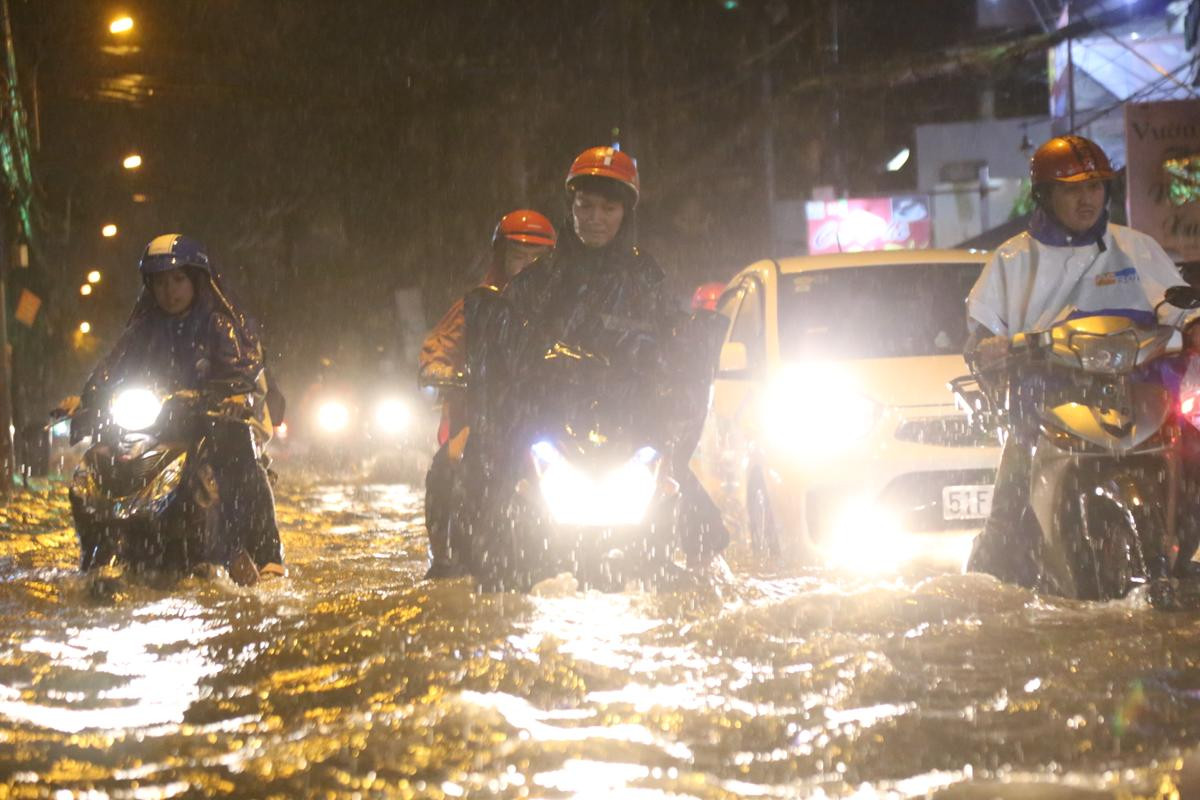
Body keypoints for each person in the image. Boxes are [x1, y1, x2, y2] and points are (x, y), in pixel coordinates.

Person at [965, 135, 1192, 586]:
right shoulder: (1012, 259)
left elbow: (1177, 306)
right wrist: (989, 347)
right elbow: (981, 331)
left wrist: (1194, 324)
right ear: (1046, 196)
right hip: (1045, 407)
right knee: (1007, 513)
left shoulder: (1136, 247)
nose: (1086, 199)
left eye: (1095, 187)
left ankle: (1183, 560)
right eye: (1072, 189)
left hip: (1137, 400)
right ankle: (995, 580)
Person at [500, 145, 729, 567]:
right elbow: (506, 341)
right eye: (586, 206)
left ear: (626, 214)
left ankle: (705, 577)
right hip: (552, 422)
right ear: (571, 208)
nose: (595, 218)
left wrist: (677, 367)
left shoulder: (646, 277)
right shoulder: (541, 279)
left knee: (704, 537)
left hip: (632, 424)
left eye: (608, 208)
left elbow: (675, 344)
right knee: (486, 510)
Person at [75, 233, 284, 584]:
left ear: (196, 280)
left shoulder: (221, 323)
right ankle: (99, 554)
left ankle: (267, 555)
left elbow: (241, 367)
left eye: (177, 280)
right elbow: (112, 368)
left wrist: (232, 395)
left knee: (239, 457)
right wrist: (85, 399)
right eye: (159, 282)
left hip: (212, 421)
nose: (168, 291)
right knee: (97, 461)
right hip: (160, 422)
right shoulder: (143, 328)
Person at [418, 209, 556, 578]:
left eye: (536, 259)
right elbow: (438, 349)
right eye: (518, 257)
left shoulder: (564, 309)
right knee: (450, 463)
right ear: (501, 258)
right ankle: (447, 555)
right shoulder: (477, 304)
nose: (527, 266)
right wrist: (444, 370)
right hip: (483, 418)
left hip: (548, 419)